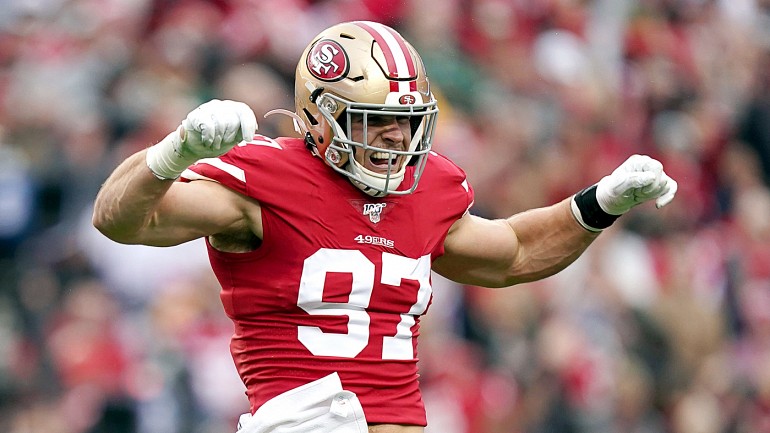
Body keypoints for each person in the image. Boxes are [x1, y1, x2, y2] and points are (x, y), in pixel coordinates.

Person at [92, 21, 677, 433]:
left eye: (407, 121)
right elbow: (120, 218)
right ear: (322, 117)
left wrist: (601, 202)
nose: (399, 139)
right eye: (377, 122)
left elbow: (515, 253)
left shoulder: (427, 190)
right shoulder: (267, 178)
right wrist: (174, 153)